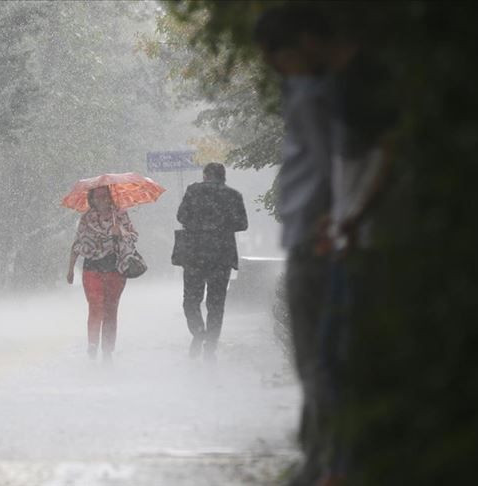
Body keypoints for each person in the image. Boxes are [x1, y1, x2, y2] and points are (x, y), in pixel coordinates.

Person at [253, 6, 338, 485]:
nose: (271, 66)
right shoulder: (319, 92)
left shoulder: (311, 96)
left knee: (317, 356)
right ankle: (323, 457)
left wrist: (339, 219)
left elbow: (333, 166)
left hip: (316, 240)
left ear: (301, 44)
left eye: (274, 55)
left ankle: (325, 462)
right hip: (315, 237)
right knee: (318, 356)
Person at [173, 162, 248, 362]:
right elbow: (242, 224)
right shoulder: (233, 195)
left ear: (205, 175)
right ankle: (211, 346)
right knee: (216, 303)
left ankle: (198, 332)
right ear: (223, 176)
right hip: (221, 256)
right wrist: (220, 225)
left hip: (194, 255)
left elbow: (181, 216)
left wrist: (199, 224)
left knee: (191, 300)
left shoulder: (193, 191)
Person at [67, 186, 138, 363]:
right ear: (92, 199)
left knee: (110, 310)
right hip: (92, 268)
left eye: (105, 196)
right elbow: (77, 243)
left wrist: (120, 232)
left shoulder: (120, 215)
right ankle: (92, 344)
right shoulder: (86, 218)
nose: (102, 200)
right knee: (95, 305)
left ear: (110, 197)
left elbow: (133, 236)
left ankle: (107, 350)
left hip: (115, 268)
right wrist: (70, 269)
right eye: (98, 197)